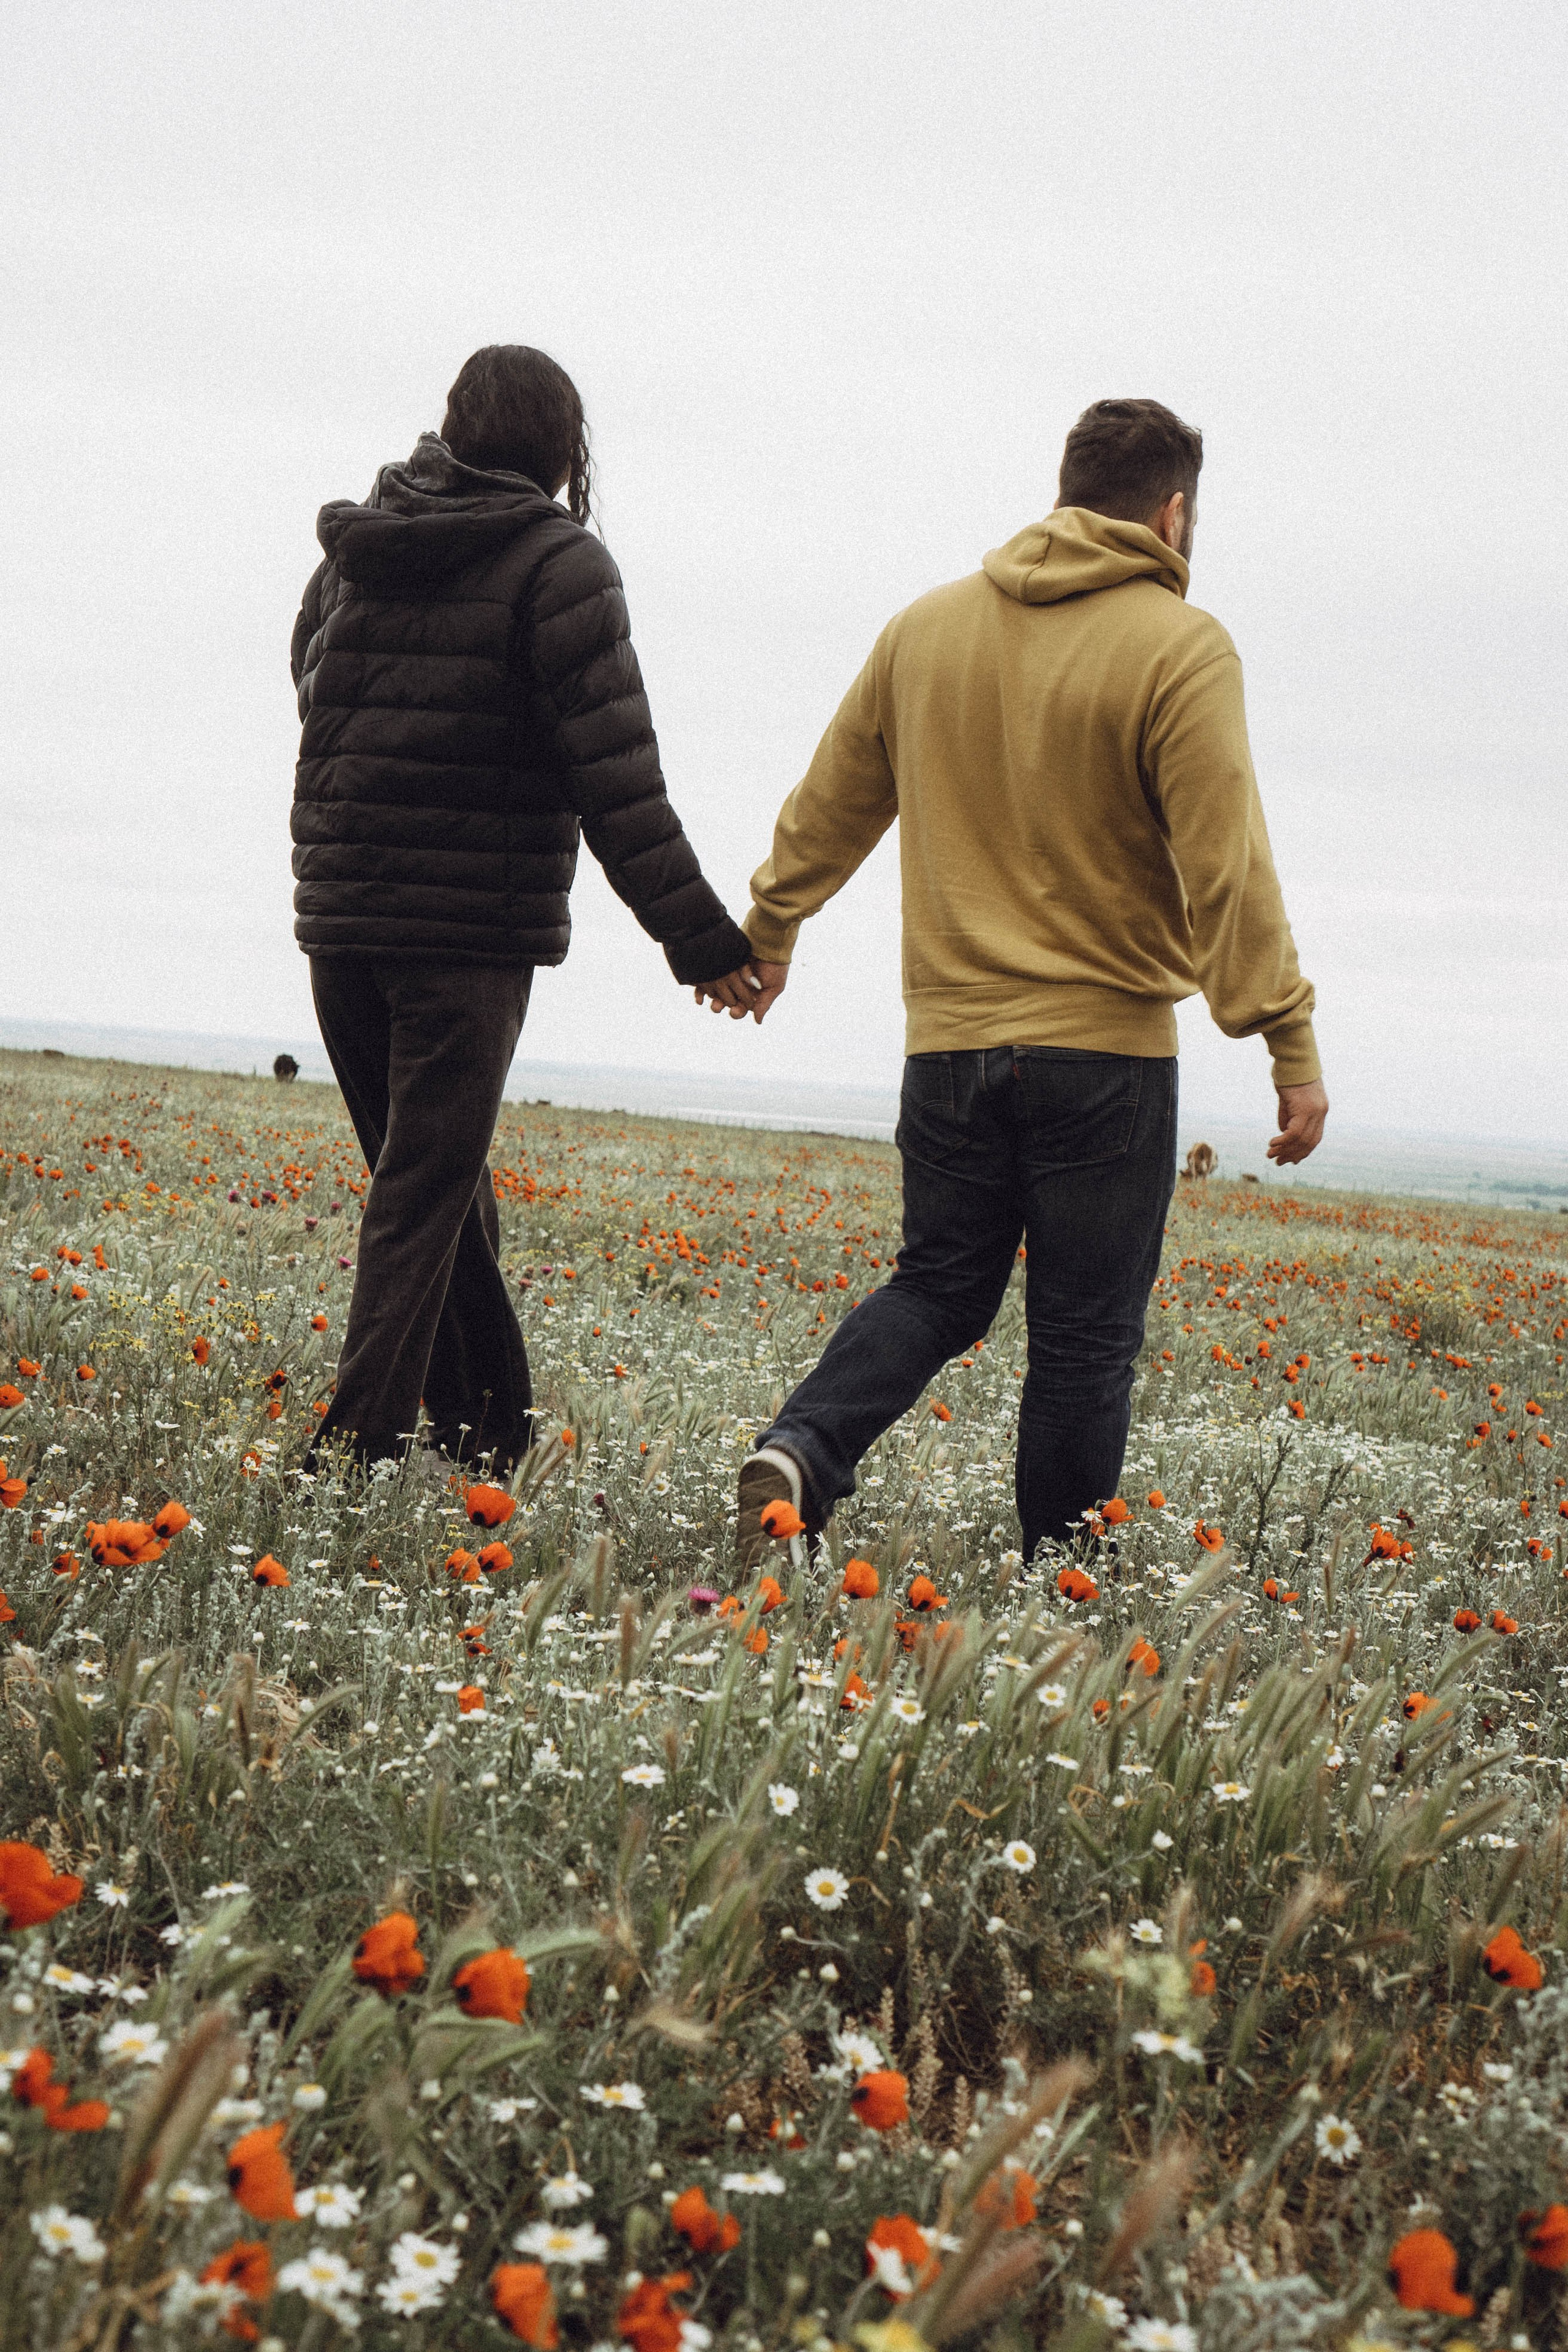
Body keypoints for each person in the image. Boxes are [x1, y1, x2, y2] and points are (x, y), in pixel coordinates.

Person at [720, 398, 1327, 1567]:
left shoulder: (926, 631)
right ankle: (1062, 1589)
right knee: (1086, 1341)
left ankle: (803, 1449)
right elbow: (1228, 867)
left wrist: (772, 924)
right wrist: (1286, 1042)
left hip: (948, 1045)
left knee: (940, 1286)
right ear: (1175, 511)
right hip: (1105, 1055)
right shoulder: (1178, 645)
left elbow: (833, 799)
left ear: (1064, 490)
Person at [292, 344, 758, 1476]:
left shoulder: (359, 548)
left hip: (345, 920)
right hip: (467, 941)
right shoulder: (561, 564)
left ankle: (486, 1429)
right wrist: (701, 939)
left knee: (435, 1183)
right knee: (423, 1192)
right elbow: (618, 777)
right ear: (563, 449)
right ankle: (351, 1459)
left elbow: (313, 679)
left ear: (451, 426)